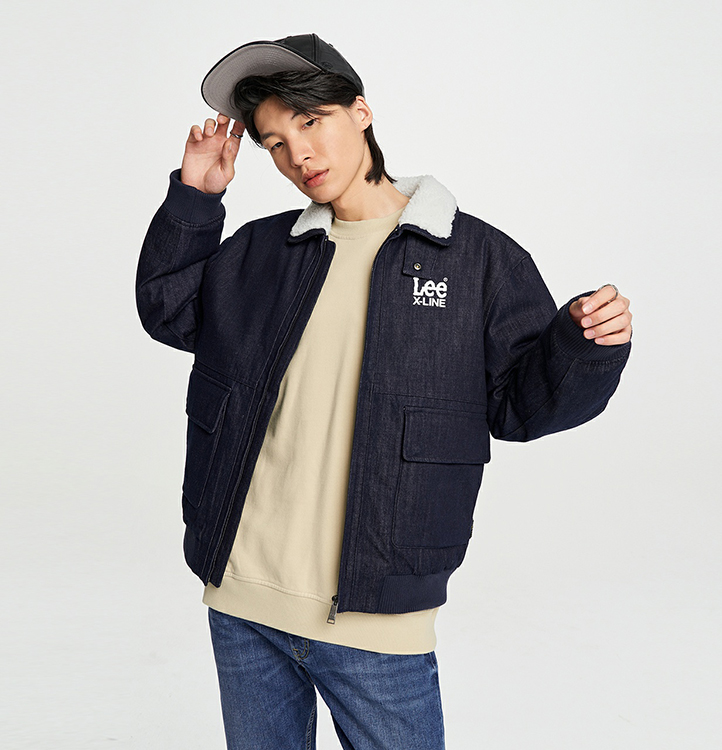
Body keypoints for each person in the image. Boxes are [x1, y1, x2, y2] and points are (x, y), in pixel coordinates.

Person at [136, 32, 632, 750]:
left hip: (376, 618)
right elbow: (171, 311)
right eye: (275, 143)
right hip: (242, 596)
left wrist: (583, 346)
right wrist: (196, 200)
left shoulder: (476, 258)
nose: (299, 155)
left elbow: (521, 406)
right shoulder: (261, 251)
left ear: (361, 111)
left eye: (311, 122)